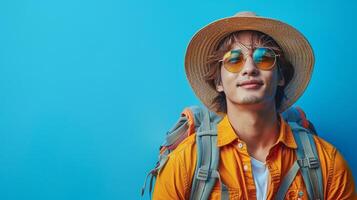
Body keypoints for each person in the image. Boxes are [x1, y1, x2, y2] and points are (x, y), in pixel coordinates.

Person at [152, 11, 356, 199]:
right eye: (233, 59)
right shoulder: (184, 163)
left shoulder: (329, 164)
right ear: (218, 82)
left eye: (264, 57)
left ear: (281, 76)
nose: (249, 68)